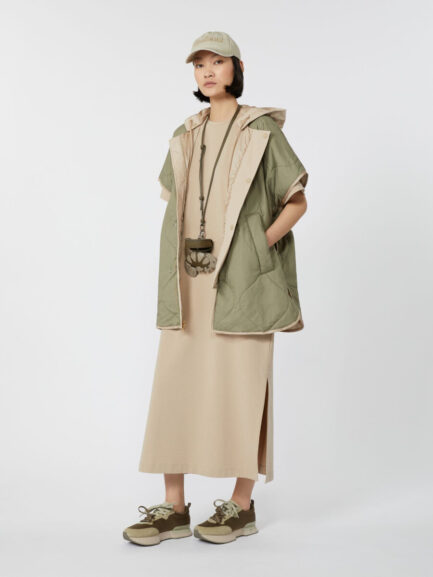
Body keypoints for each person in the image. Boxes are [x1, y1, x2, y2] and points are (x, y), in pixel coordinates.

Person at [123, 31, 308, 546]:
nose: (207, 71)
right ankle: (173, 507)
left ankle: (241, 506)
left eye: (217, 61)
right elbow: (177, 203)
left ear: (236, 69)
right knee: (175, 383)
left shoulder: (261, 129)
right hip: (189, 278)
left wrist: (257, 245)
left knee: (241, 383)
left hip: (242, 279)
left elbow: (296, 202)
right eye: (198, 63)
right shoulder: (185, 133)